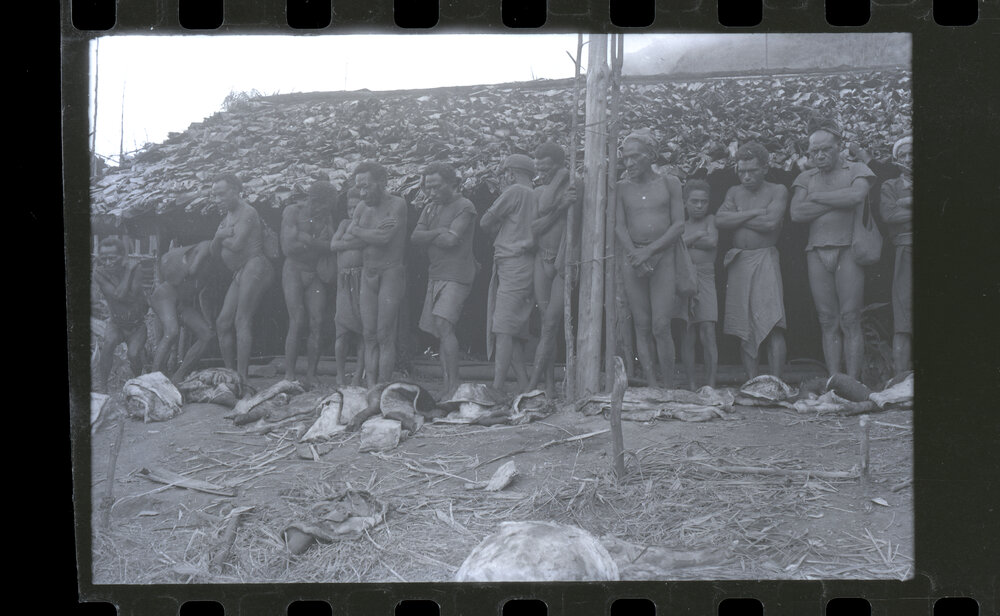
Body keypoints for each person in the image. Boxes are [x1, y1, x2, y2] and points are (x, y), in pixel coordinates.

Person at [790, 120, 875, 379]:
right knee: (827, 319)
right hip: (816, 250)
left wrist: (816, 198)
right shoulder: (805, 177)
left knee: (850, 318)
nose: (819, 155)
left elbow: (856, 196)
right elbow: (796, 213)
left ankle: (852, 383)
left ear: (839, 147)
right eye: (814, 151)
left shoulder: (857, 169)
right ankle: (834, 380)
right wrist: (839, 199)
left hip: (848, 248)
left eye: (825, 149)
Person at [614, 130, 685, 389]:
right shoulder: (621, 188)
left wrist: (649, 251)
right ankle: (653, 385)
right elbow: (619, 226)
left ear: (651, 155)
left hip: (662, 257)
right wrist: (635, 253)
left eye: (635, 157)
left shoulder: (670, 183)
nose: (629, 163)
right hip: (633, 259)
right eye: (625, 158)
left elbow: (678, 225)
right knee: (642, 325)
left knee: (661, 325)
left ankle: (668, 386)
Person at [716, 142, 790, 381]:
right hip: (740, 261)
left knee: (773, 322)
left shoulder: (777, 190)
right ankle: (752, 382)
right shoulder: (734, 192)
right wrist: (754, 213)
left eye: (752, 171)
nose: (746, 176)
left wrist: (736, 217)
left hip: (765, 258)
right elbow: (720, 220)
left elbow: (770, 224)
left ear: (765, 168)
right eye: (742, 171)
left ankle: (776, 383)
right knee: (744, 326)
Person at [410, 163, 478, 398]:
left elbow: (451, 241)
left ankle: (454, 385)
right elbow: (415, 237)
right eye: (428, 187)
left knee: (444, 325)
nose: (432, 192)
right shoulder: (430, 207)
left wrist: (430, 236)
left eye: (437, 187)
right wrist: (439, 232)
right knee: (440, 329)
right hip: (436, 273)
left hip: (457, 274)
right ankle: (448, 385)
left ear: (452, 183)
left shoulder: (465, 206)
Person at [345, 161, 408, 387]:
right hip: (368, 273)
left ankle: (383, 386)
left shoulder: (397, 204)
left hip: (390, 273)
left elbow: (384, 238)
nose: (362, 193)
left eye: (367, 186)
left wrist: (358, 230)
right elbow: (349, 238)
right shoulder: (362, 207)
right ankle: (371, 386)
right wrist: (369, 232)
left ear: (381, 182)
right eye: (359, 187)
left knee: (384, 334)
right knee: (368, 334)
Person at [480, 153, 538, 392]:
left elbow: (485, 221)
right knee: (512, 328)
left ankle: (497, 387)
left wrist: (498, 227)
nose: (502, 178)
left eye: (504, 173)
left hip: (513, 262)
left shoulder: (515, 191)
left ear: (511, 174)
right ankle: (523, 385)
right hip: (523, 263)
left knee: (502, 328)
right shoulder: (536, 194)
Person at [211, 173, 276, 383]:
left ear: (235, 191)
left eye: (221, 194)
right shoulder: (226, 218)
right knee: (222, 323)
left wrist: (220, 237)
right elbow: (213, 251)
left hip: (255, 265)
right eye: (215, 195)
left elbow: (238, 244)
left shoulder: (248, 212)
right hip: (240, 271)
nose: (217, 200)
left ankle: (242, 378)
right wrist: (219, 236)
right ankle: (231, 375)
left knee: (242, 319)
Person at [527, 142, 580, 397]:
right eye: (538, 169)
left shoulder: (575, 187)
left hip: (562, 262)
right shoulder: (540, 192)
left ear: (560, 166)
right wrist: (560, 207)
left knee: (550, 325)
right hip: (542, 259)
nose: (541, 174)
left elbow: (576, 229)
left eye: (547, 169)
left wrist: (562, 177)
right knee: (545, 323)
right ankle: (548, 386)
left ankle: (531, 386)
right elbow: (535, 227)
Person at [280, 180, 338, 386]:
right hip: (294, 270)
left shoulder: (326, 216)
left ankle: (311, 375)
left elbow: (332, 246)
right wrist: (317, 243)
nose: (327, 210)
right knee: (297, 320)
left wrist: (307, 239)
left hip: (314, 272)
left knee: (317, 322)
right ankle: (289, 375)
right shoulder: (292, 212)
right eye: (326, 205)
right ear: (315, 201)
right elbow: (288, 248)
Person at [150, 240, 215, 383]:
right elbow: (192, 270)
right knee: (172, 332)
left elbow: (203, 295)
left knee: (207, 334)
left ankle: (178, 376)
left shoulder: (216, 262)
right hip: (165, 295)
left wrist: (207, 319)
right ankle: (152, 379)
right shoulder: (206, 247)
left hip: (182, 302)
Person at [675, 180, 719, 390]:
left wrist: (686, 240)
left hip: (706, 276)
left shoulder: (711, 219)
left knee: (708, 329)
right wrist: (697, 235)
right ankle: (692, 384)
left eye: (704, 201)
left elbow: (712, 242)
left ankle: (710, 384)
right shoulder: (680, 224)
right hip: (685, 277)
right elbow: (675, 244)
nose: (700, 205)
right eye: (695, 201)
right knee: (687, 330)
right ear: (685, 202)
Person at [94, 237, 148, 393]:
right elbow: (120, 296)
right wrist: (128, 272)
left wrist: (130, 272)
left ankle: (138, 381)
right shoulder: (99, 272)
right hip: (116, 323)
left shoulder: (137, 268)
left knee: (133, 354)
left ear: (123, 256)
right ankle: (103, 387)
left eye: (112, 258)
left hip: (137, 325)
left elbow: (131, 297)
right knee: (108, 344)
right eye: (104, 258)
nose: (108, 262)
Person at [879, 136, 913, 376]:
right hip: (906, 251)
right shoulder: (889, 186)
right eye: (903, 155)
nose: (908, 159)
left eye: (912, 154)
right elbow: (889, 216)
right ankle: (901, 378)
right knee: (903, 316)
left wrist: (906, 203)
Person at [330, 188, 367, 387]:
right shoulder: (344, 224)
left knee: (362, 331)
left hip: (362, 280)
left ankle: (357, 376)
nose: (352, 211)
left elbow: (363, 242)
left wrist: (346, 241)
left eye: (356, 208)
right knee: (342, 330)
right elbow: (333, 245)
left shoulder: (367, 224)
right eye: (349, 208)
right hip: (344, 282)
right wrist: (352, 242)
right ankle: (339, 375)